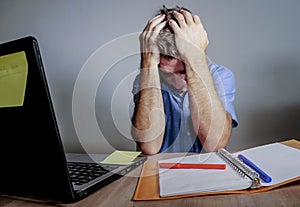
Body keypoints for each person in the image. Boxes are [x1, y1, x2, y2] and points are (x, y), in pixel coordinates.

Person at [131, 5, 238, 155]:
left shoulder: (221, 76)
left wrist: (196, 59)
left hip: (208, 173)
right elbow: (149, 146)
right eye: (168, 74)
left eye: (184, 71)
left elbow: (214, 143)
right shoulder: (147, 78)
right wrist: (147, 64)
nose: (178, 83)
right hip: (160, 173)